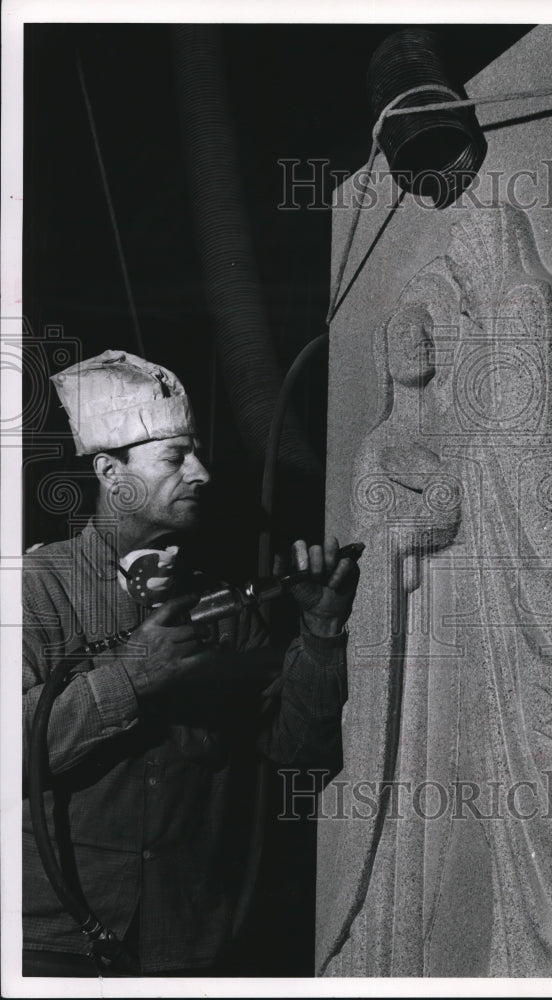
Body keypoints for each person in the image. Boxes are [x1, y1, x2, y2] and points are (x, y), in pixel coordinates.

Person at [22, 349, 360, 977]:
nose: (201, 473)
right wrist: (131, 676)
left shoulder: (226, 607)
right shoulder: (35, 589)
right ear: (110, 472)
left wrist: (321, 630)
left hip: (188, 945)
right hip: (53, 947)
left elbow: (301, 750)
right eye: (175, 458)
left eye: (197, 453)